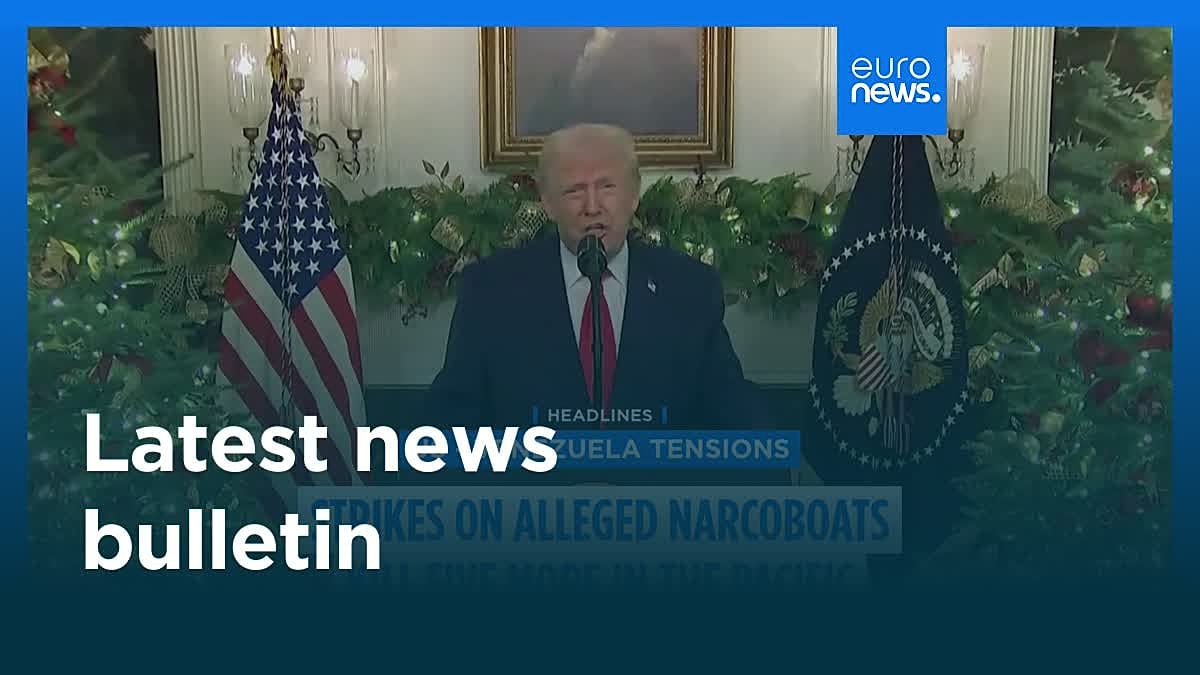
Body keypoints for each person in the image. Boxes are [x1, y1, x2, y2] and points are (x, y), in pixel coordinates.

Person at [424, 123, 763, 431]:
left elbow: (730, 408)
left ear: (634, 194)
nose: (592, 206)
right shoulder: (491, 290)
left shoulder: (689, 288)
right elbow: (451, 419)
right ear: (548, 203)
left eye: (607, 187)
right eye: (574, 191)